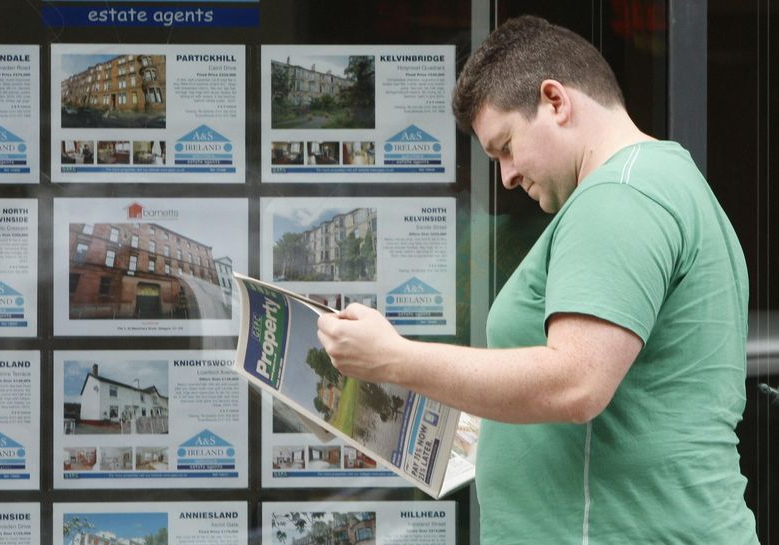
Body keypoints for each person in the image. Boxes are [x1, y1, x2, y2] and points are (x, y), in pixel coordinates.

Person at [317, 15, 759, 544]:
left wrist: (393, 359)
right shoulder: (662, 181)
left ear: (555, 100)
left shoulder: (618, 197)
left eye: (505, 146)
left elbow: (576, 381)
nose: (505, 176)